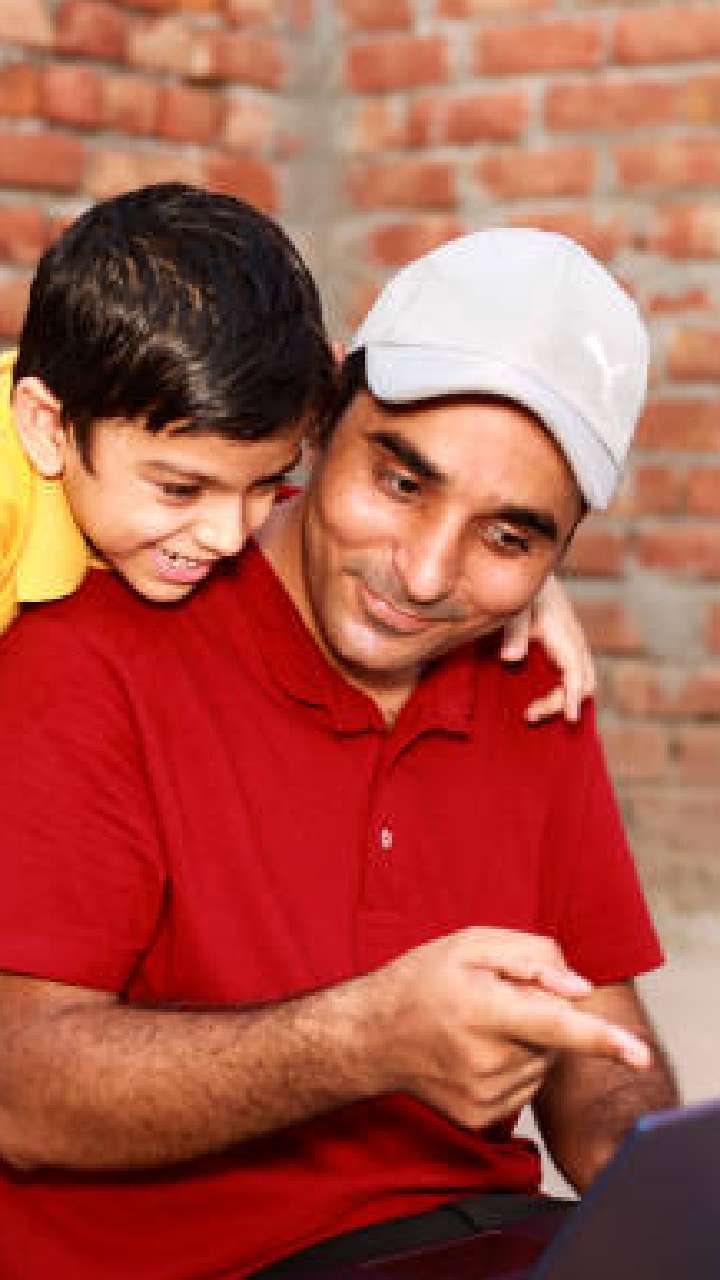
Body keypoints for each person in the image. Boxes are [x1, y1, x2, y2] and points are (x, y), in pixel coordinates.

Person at [0, 228, 677, 1279]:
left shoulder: (533, 672)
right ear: (321, 420)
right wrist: (365, 1037)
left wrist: (666, 1186)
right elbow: (19, 1088)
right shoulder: (89, 638)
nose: (425, 574)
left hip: (477, 1236)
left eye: (509, 538)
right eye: (400, 483)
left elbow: (595, 1026)